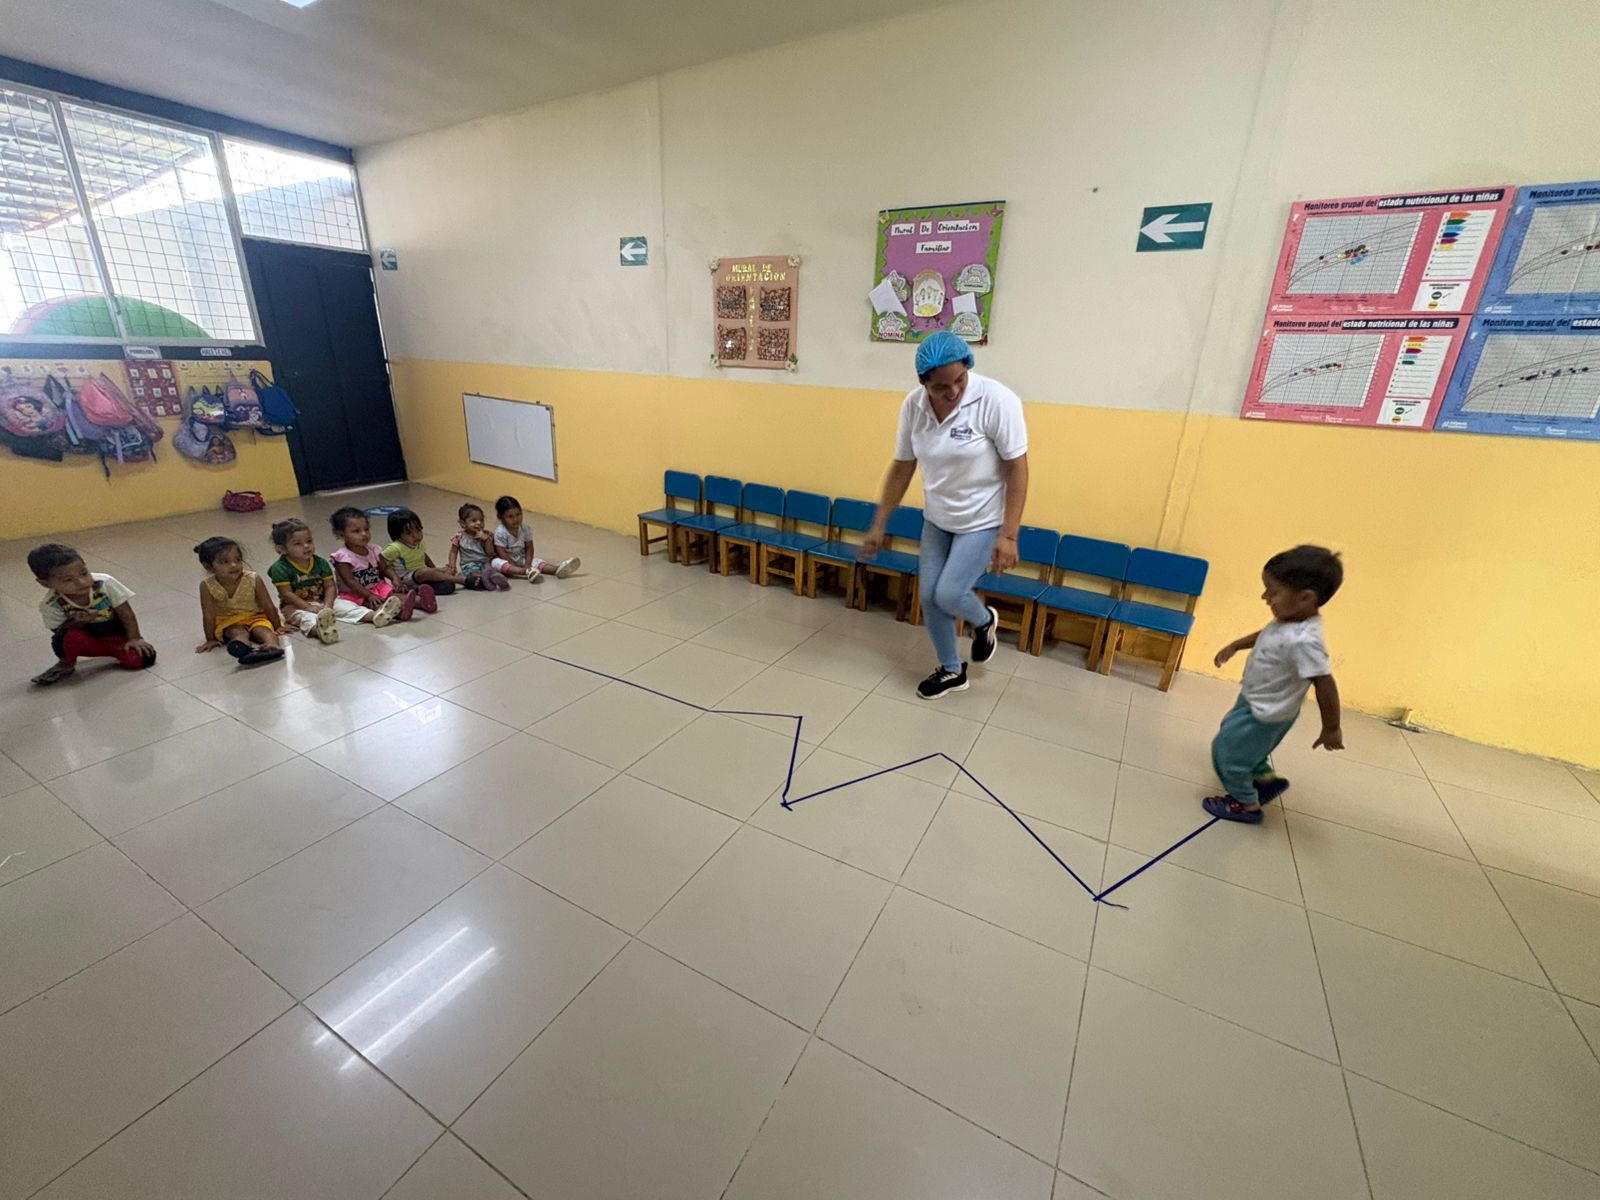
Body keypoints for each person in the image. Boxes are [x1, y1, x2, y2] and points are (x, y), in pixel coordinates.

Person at [862, 331, 1029, 700]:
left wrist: (1009, 534)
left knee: (950, 593)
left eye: (959, 380)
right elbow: (902, 466)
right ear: (924, 383)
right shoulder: (913, 407)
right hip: (938, 518)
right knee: (930, 597)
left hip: (982, 520)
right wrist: (879, 523)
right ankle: (952, 670)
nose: (952, 391)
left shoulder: (997, 401)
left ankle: (984, 620)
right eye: (940, 386)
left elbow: (1017, 467)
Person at [1203, 545, 1345, 823]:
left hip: (1267, 713)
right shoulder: (1288, 619)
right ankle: (1264, 780)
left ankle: (1245, 804)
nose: (1265, 597)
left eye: (1273, 591)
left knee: (1227, 751)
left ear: (1305, 598)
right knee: (1242, 741)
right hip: (1257, 700)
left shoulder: (1305, 641)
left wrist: (1331, 727)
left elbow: (1325, 683)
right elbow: (1267, 634)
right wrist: (1236, 645)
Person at [28, 543, 156, 685]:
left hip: (116, 637)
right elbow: (59, 633)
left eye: (84, 573)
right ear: (45, 583)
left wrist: (135, 638)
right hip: (89, 640)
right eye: (68, 579)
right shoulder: (52, 604)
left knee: (141, 658)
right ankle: (66, 663)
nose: (81, 582)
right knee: (69, 637)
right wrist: (78, 622)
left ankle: (118, 650)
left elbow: (126, 613)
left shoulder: (105, 583)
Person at [267, 518, 395, 640]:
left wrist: (328, 605)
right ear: (282, 549)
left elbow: (330, 586)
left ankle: (375, 616)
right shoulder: (280, 568)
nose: (306, 546)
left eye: (309, 541)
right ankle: (320, 630)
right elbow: (287, 593)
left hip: (323, 600)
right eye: (297, 544)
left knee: (347, 606)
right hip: (295, 606)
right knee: (306, 618)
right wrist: (307, 607)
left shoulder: (320, 562)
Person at [194, 536, 285, 665]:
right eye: (224, 562)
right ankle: (242, 647)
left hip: (256, 616)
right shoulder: (207, 586)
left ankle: (273, 646)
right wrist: (210, 639)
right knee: (237, 633)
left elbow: (267, 605)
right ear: (208, 567)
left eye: (237, 559)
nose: (233, 565)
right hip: (229, 621)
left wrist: (278, 627)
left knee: (264, 630)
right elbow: (208, 614)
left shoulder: (253, 579)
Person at [329, 507, 415, 623]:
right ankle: (399, 612)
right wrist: (369, 595)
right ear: (341, 534)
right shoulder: (343, 557)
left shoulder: (374, 549)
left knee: (396, 595)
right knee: (375, 603)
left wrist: (395, 578)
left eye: (366, 529)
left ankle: (421, 602)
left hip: (377, 586)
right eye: (356, 531)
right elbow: (350, 581)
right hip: (357, 593)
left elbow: (384, 568)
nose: (364, 534)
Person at [381, 507, 458, 608]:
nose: (416, 536)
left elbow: (423, 555)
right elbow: (380, 563)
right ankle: (461, 580)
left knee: (449, 584)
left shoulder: (419, 543)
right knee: (425, 572)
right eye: (409, 533)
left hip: (422, 575)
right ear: (398, 535)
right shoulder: (394, 548)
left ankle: (419, 590)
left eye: (418, 530)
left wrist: (434, 569)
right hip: (406, 579)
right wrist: (394, 579)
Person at [493, 495, 579, 583]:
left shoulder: (525, 528)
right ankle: (524, 572)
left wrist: (528, 564)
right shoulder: (501, 532)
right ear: (501, 517)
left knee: (537, 562)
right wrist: (513, 565)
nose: (515, 519)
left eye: (518, 514)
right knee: (496, 563)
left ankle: (557, 569)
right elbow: (501, 552)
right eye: (510, 516)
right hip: (507, 561)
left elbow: (529, 547)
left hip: (522, 558)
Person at [450, 503, 510, 590]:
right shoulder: (459, 537)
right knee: (474, 574)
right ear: (463, 524)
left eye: (481, 520)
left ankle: (498, 580)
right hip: (469, 564)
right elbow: (453, 551)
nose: (479, 523)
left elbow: (490, 553)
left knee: (494, 570)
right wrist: (452, 565)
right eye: (474, 520)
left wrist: (486, 540)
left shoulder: (487, 535)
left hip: (486, 563)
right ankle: (486, 581)